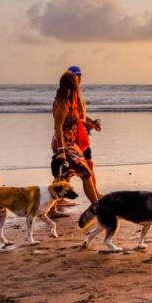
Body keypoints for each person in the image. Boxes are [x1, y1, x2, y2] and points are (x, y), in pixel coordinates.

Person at [52, 71, 100, 203]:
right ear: (72, 86)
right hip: (65, 143)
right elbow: (58, 127)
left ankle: (51, 210)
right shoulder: (62, 103)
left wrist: (90, 124)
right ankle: (97, 207)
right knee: (85, 173)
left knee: (62, 175)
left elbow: (75, 120)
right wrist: (61, 151)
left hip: (70, 142)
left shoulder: (69, 101)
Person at [67, 65, 102, 197]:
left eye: (78, 75)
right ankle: (59, 198)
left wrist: (91, 122)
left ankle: (95, 193)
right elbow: (71, 117)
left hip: (81, 135)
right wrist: (85, 123)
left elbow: (80, 114)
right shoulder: (69, 94)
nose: (77, 78)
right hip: (73, 137)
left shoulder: (77, 92)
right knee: (70, 169)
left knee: (87, 165)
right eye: (75, 75)